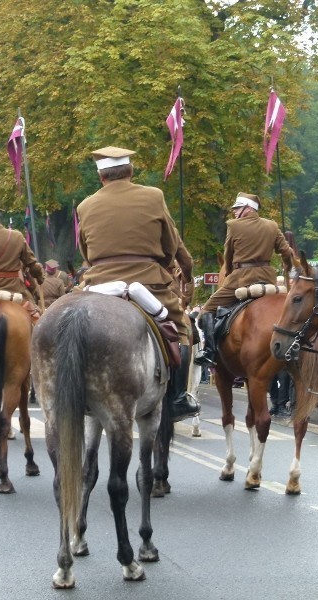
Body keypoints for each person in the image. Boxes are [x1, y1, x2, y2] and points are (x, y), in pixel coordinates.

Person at [76, 145, 197, 421]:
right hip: (148, 283)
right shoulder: (154, 196)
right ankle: (177, 398)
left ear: (101, 177)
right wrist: (166, 264)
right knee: (182, 329)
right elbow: (170, 244)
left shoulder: (85, 205)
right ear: (131, 171)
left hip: (98, 283)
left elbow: (85, 252)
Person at [194, 192, 297, 366]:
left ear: (249, 209)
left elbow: (228, 254)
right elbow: (287, 252)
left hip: (239, 280)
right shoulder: (272, 226)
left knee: (206, 311)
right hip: (268, 280)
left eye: (238, 208)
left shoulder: (233, 226)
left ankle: (209, 352)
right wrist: (288, 267)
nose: (234, 211)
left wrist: (228, 273)